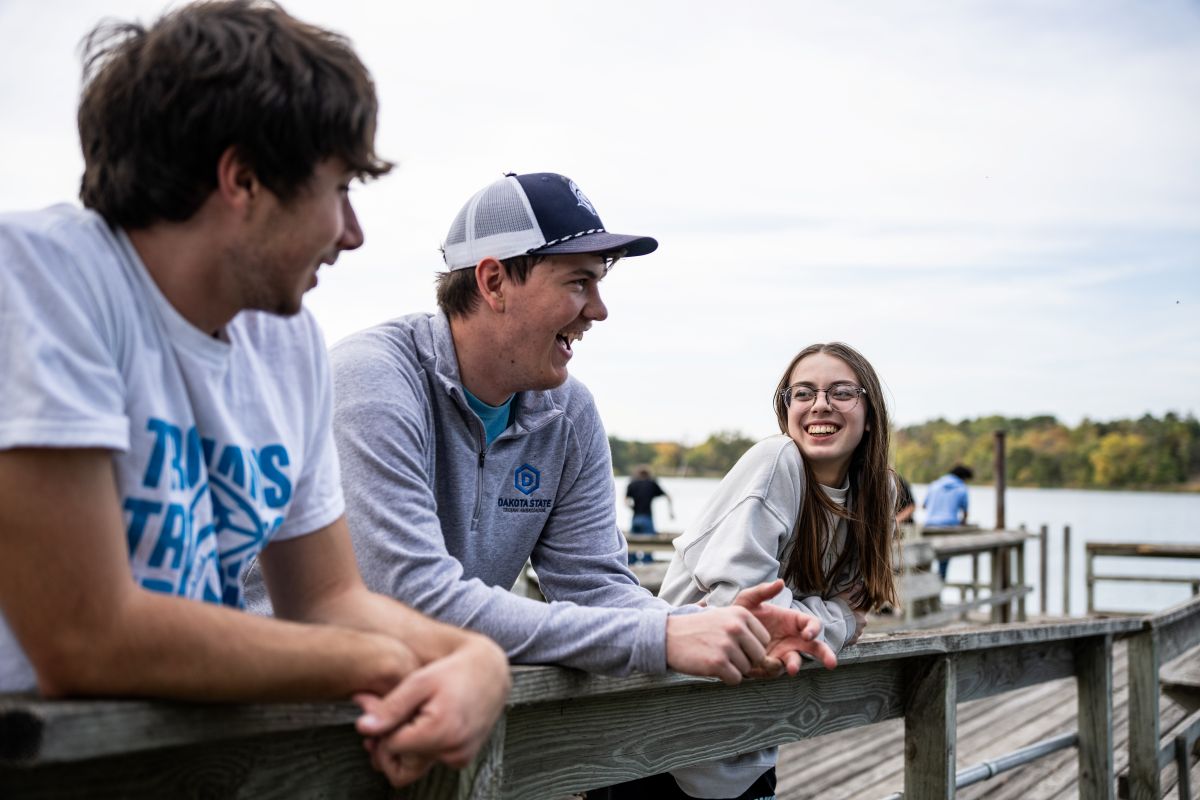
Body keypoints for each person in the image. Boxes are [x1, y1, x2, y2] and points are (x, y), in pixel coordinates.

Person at [0, 1, 508, 789]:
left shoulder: (287, 341)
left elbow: (330, 597)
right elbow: (86, 636)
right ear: (242, 179)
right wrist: (386, 657)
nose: (353, 232)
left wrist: (475, 659)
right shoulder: (35, 281)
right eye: (338, 189)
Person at [297, 171, 835, 694]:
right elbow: (410, 599)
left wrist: (714, 626)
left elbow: (595, 586)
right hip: (286, 711)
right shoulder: (373, 377)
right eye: (579, 282)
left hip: (437, 704)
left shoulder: (568, 411)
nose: (599, 311)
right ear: (493, 282)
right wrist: (664, 634)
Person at [639, 342, 899, 800]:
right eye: (802, 393)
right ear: (786, 409)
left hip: (750, 739)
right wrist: (836, 620)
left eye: (841, 391)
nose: (820, 404)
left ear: (870, 410)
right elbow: (748, 611)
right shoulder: (776, 459)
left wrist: (807, 619)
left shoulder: (877, 495)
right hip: (660, 733)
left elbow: (802, 621)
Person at [923, 464, 974, 579]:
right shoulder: (961, 488)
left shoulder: (934, 485)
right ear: (964, 478)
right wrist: (963, 522)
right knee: (943, 561)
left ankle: (926, 584)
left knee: (926, 559)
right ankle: (940, 585)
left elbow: (924, 506)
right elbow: (965, 512)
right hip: (948, 527)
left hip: (929, 526)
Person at [626, 466, 675, 534]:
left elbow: (626, 501)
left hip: (636, 518)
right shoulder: (652, 484)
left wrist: (632, 508)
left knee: (633, 539)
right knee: (650, 538)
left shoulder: (632, 485)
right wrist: (670, 512)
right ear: (648, 475)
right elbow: (668, 497)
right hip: (647, 518)